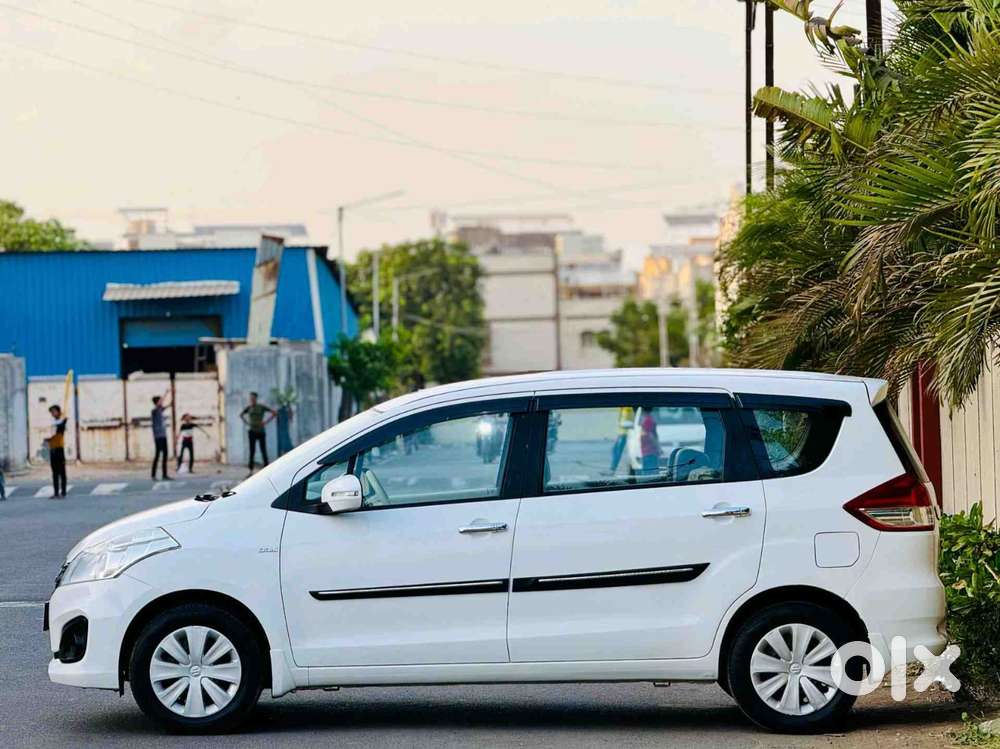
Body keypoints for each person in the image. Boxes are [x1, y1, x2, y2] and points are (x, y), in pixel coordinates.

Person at [240, 392, 275, 474]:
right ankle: (250, 470)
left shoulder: (261, 407)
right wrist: (247, 423)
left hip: (261, 431)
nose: (251, 400)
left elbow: (274, 413)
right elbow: (241, 415)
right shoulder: (249, 408)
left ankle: (266, 468)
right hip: (252, 431)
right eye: (250, 398)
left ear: (256, 399)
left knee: (263, 450)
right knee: (252, 450)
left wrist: (265, 422)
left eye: (253, 398)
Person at [46, 404, 68, 498]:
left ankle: (63, 492)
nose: (52, 413)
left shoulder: (63, 421)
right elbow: (52, 434)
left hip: (59, 448)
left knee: (62, 471)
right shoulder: (53, 423)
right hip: (52, 448)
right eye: (51, 412)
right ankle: (56, 492)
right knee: (54, 472)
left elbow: (60, 430)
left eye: (54, 411)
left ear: (59, 412)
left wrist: (63, 422)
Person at [150, 391, 172, 481]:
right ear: (156, 402)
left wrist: (170, 404)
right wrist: (166, 393)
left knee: (165, 454)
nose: (161, 402)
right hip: (158, 436)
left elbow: (165, 406)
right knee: (157, 455)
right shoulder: (154, 411)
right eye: (160, 401)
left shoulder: (160, 410)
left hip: (163, 435)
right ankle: (153, 475)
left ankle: (164, 474)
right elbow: (160, 403)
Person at [609, 406, 635, 473]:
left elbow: (632, 421)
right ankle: (612, 468)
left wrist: (623, 424)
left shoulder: (628, 408)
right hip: (620, 433)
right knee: (615, 450)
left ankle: (612, 469)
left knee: (618, 451)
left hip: (625, 433)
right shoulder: (623, 409)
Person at [639, 408, 660, 476]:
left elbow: (650, 435)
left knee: (649, 474)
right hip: (648, 451)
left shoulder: (648, 420)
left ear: (643, 410)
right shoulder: (649, 419)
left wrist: (658, 447)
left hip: (649, 451)